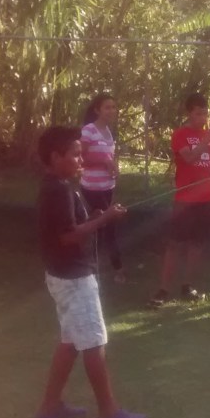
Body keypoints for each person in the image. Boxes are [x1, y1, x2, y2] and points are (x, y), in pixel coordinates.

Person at [35, 126, 146, 418]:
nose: (81, 160)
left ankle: (50, 405)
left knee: (71, 340)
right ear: (55, 157)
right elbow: (67, 237)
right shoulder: (58, 190)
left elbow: (69, 227)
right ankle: (109, 412)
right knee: (94, 341)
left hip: (62, 274)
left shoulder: (58, 185)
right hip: (73, 277)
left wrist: (96, 216)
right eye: (75, 154)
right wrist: (105, 218)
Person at [150, 92, 210, 308]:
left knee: (197, 244)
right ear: (189, 113)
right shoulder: (180, 134)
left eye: (205, 114)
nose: (203, 118)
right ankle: (164, 289)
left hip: (207, 198)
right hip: (185, 200)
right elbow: (190, 158)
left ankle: (188, 285)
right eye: (198, 113)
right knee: (175, 244)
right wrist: (209, 136)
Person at [80, 94, 125, 283]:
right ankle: (112, 269)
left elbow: (109, 158)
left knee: (106, 226)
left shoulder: (109, 132)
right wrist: (103, 162)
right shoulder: (88, 130)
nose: (111, 111)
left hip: (107, 186)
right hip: (92, 188)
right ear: (97, 110)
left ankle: (101, 268)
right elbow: (80, 159)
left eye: (114, 107)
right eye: (107, 107)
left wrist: (114, 167)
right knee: (104, 225)